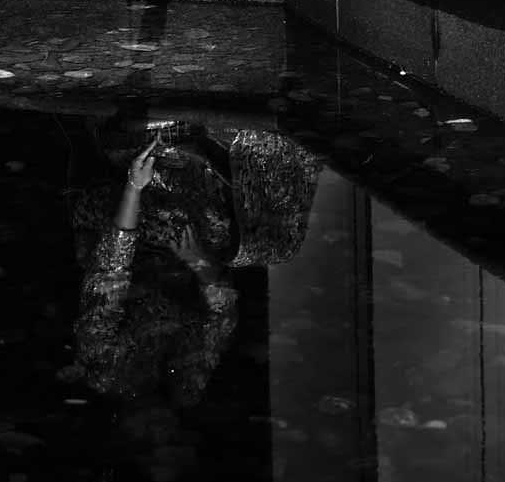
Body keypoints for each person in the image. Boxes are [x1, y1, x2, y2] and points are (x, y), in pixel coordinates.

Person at [63, 121, 320, 403]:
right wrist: (199, 263)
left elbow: (111, 265)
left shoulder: (104, 365)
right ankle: (250, 142)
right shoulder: (188, 384)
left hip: (123, 229)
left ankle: (166, 142)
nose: (159, 424)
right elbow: (222, 313)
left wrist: (134, 186)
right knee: (272, 245)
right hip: (185, 257)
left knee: (186, 217)